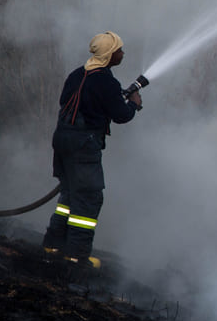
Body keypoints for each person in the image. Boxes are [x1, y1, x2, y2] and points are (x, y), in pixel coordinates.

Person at [42, 31, 142, 268]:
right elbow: (121, 116)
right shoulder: (106, 81)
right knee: (88, 198)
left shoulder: (78, 74)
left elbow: (71, 103)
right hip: (83, 144)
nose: (123, 53)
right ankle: (76, 257)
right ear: (109, 55)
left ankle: (53, 245)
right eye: (119, 50)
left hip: (63, 139)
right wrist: (134, 104)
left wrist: (109, 101)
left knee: (69, 194)